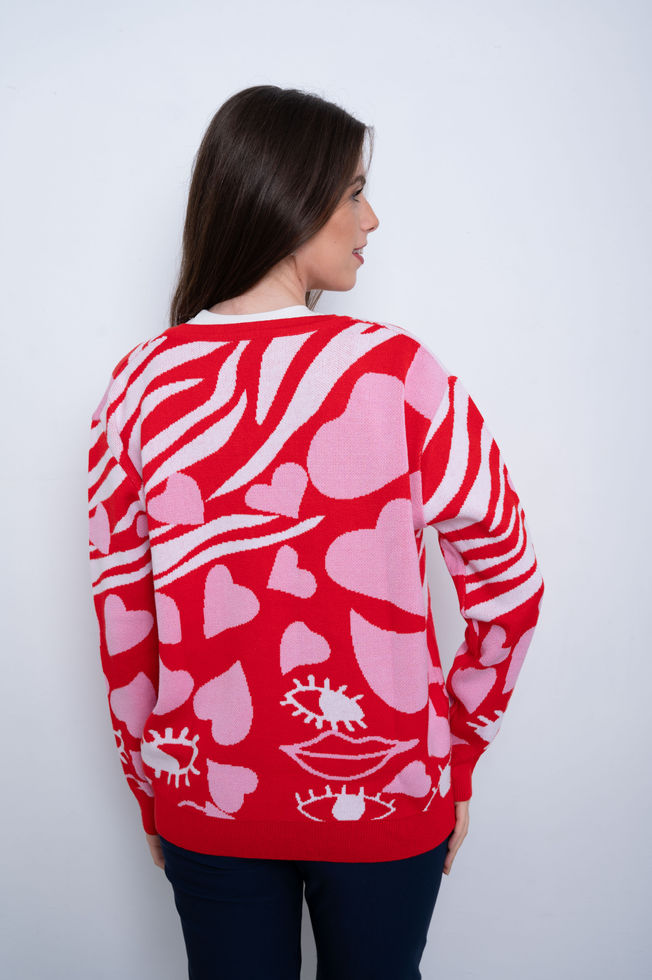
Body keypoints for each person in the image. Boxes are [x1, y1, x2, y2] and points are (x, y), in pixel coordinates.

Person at [87, 85, 544, 980]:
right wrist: (454, 749)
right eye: (354, 192)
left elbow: (123, 626)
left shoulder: (136, 386)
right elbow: (510, 583)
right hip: (389, 795)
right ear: (288, 194)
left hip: (206, 801)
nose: (372, 219)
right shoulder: (396, 372)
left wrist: (153, 783)